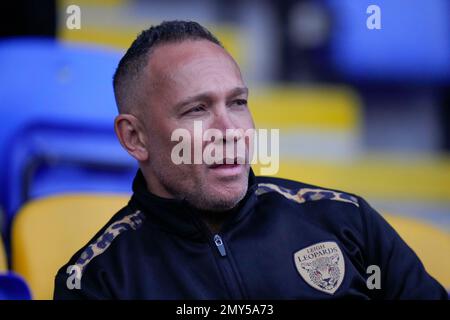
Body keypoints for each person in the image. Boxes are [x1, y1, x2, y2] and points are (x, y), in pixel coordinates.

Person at [54, 20, 447, 299]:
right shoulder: (97, 280)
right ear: (134, 137)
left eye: (238, 103)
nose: (229, 130)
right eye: (196, 110)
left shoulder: (346, 218)